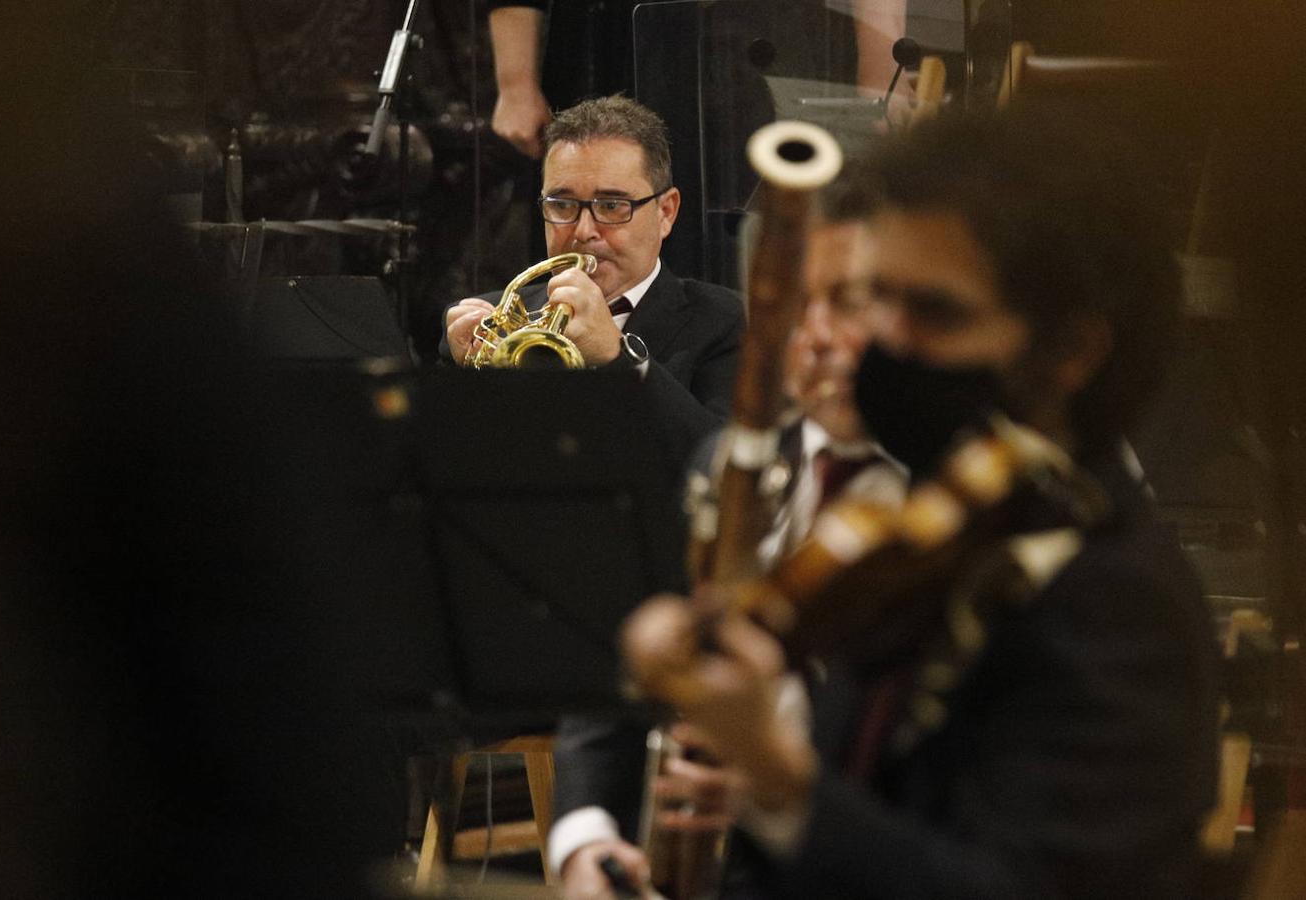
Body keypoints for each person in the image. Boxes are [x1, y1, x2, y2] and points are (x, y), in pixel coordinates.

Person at [621, 110, 1221, 898]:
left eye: (936, 313)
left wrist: (778, 779)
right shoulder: (928, 536)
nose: (884, 344)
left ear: (1071, 352)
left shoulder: (1116, 601)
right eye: (878, 300)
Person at [550, 184, 909, 900]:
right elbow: (610, 684)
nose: (813, 341)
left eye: (848, 303)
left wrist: (771, 781)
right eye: (786, 310)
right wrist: (583, 842)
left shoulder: (963, 504)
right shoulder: (724, 464)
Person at [444, 95, 744, 449]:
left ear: (666, 212)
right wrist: (464, 388)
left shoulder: (726, 321)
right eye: (562, 204)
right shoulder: (491, 323)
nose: (584, 230)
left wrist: (619, 358)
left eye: (612, 205)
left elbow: (725, 470)